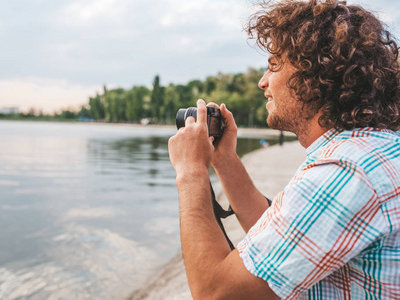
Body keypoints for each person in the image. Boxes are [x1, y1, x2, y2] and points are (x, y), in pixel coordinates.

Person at [168, 0, 400, 299]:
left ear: (314, 75)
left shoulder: (347, 170)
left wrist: (190, 172)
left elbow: (215, 292)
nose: (263, 82)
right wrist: (224, 160)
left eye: (273, 65)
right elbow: (290, 235)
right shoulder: (372, 150)